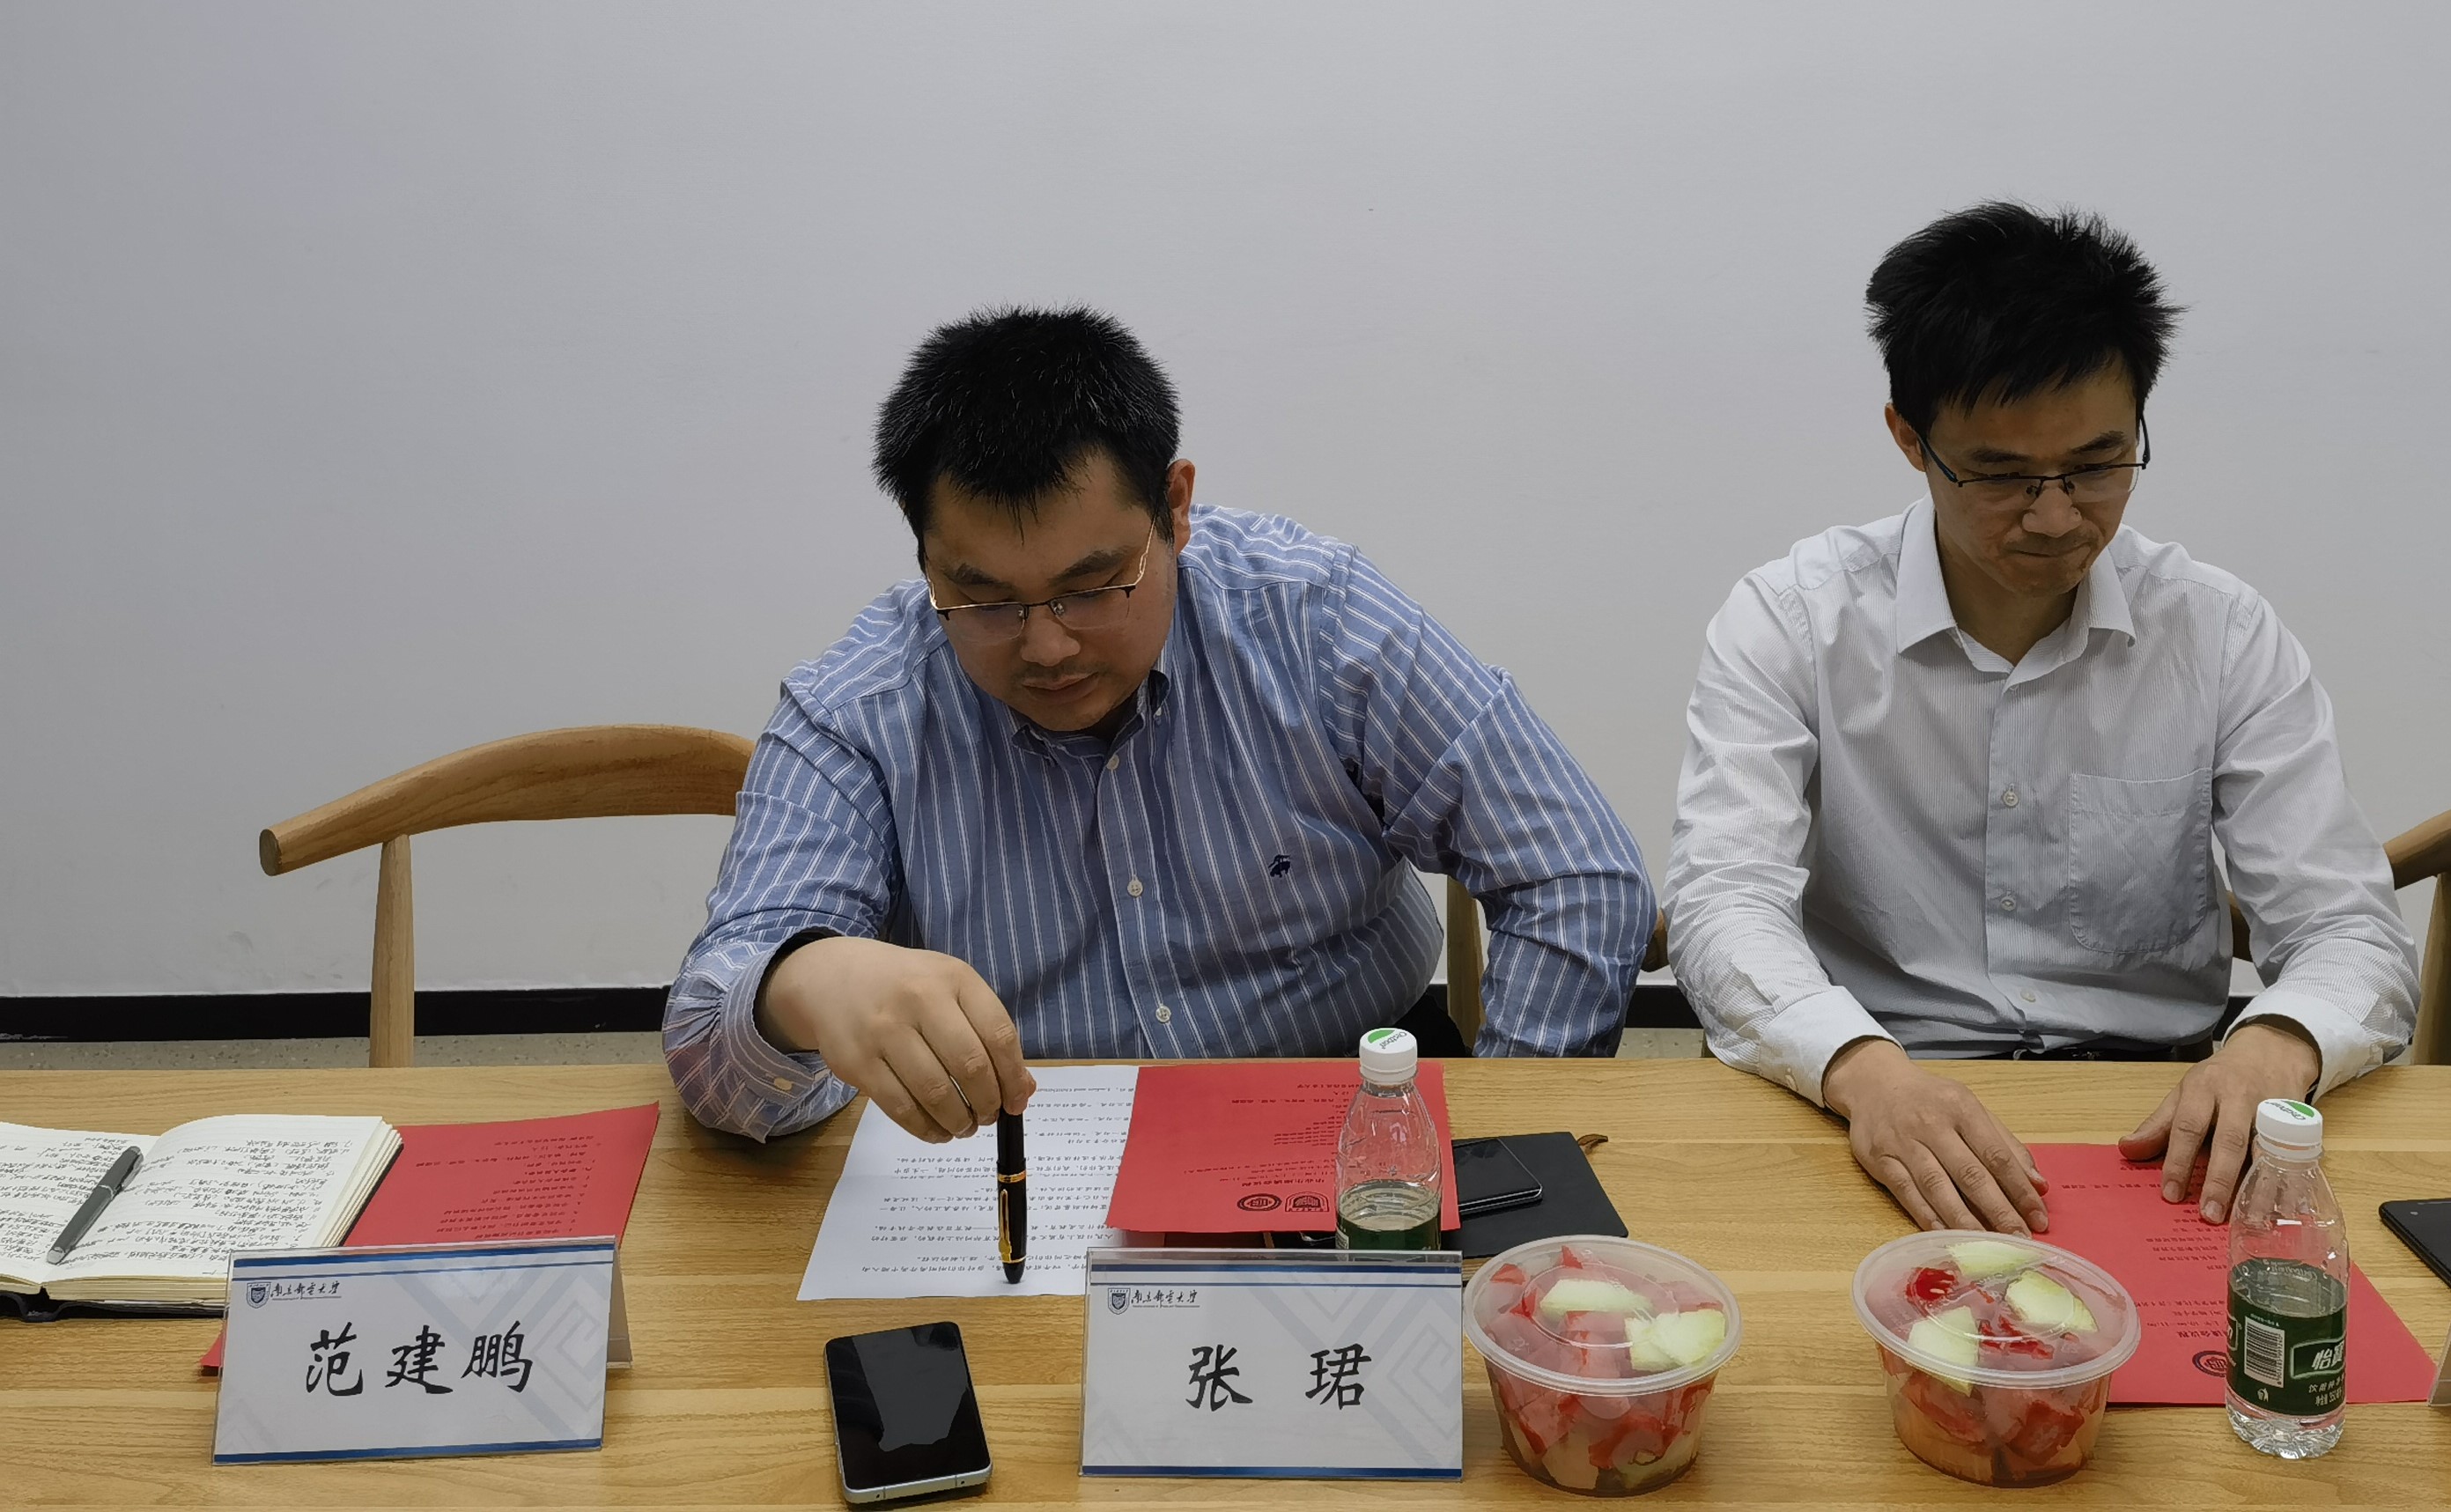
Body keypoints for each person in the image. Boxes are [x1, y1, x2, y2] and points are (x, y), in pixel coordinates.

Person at [667, 306, 1653, 1142]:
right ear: (925, 556)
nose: (1047, 645)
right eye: (985, 599)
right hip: (1010, 1136)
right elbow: (709, 1038)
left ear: (1174, 508)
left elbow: (1575, 873)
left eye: (1094, 584)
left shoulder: (1314, 619)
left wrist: (1502, 1149)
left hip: (1346, 1092)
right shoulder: (859, 708)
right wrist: (800, 984)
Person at [1667, 203, 2418, 1235]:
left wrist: (2271, 1045)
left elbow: (2344, 926)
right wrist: (1861, 1069)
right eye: (2000, 474)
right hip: (1874, 1095)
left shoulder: (2216, 632)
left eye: (2097, 465)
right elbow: (1724, 897)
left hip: (2149, 1111)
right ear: (1907, 437)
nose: (2056, 515)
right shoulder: (1792, 620)